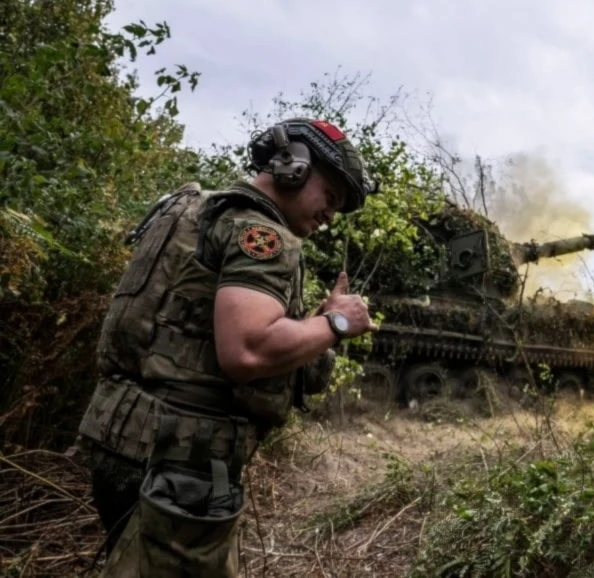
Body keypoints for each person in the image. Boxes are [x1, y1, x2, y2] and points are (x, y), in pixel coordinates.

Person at [74, 118, 380, 576]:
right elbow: (247, 351)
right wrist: (337, 323)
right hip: (180, 459)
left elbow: (189, 329)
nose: (330, 215)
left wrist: (312, 327)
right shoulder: (260, 234)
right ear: (293, 166)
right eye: (330, 197)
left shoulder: (192, 209)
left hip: (125, 439)